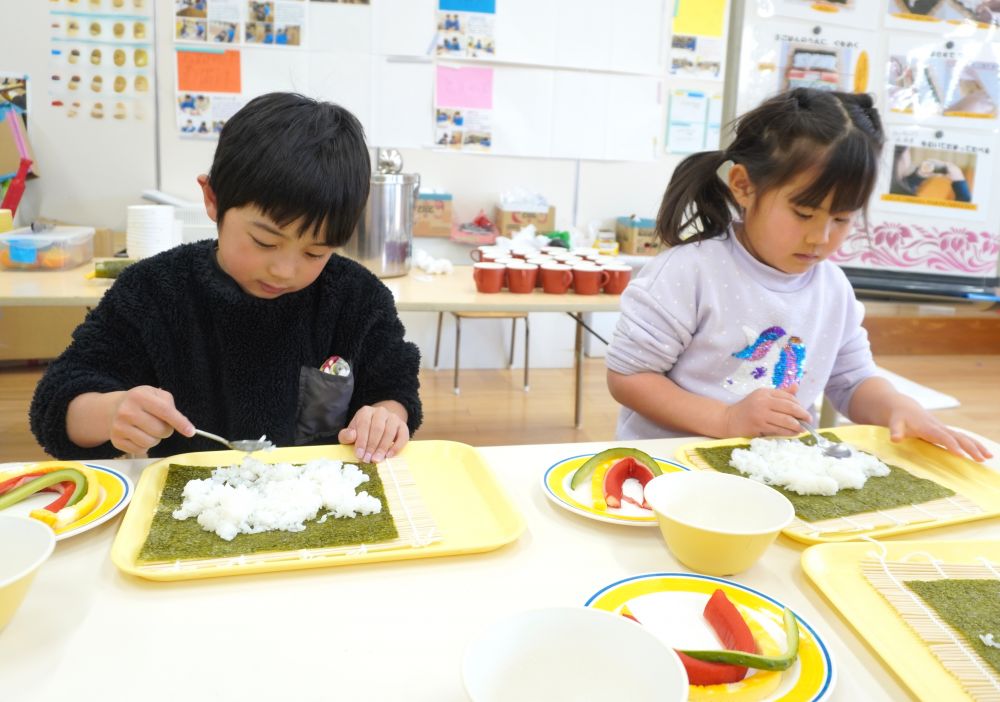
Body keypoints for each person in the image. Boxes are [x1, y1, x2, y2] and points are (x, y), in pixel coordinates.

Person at [31, 92, 422, 462]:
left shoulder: (356, 297)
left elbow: (395, 386)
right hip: (193, 509)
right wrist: (108, 412)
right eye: (264, 241)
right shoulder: (152, 291)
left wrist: (386, 416)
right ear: (212, 199)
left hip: (324, 503)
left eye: (314, 252)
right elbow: (58, 400)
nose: (285, 270)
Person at [605, 88, 990, 461]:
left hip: (772, 471)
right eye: (803, 213)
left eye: (842, 219)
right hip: (671, 466)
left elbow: (853, 382)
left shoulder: (833, 288)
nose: (820, 238)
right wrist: (726, 419)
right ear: (743, 186)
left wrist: (899, 408)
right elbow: (629, 377)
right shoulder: (690, 271)